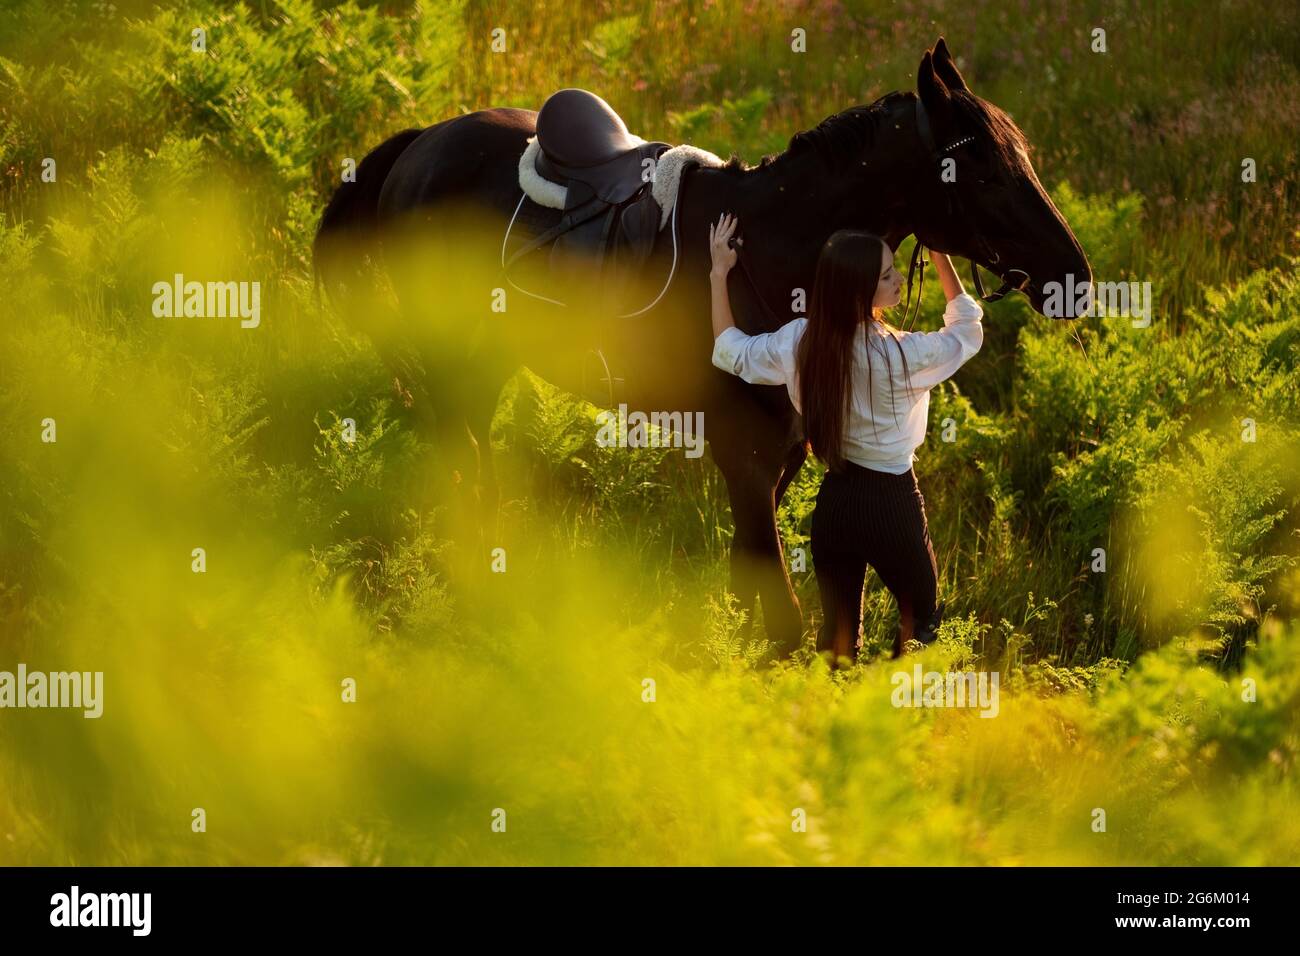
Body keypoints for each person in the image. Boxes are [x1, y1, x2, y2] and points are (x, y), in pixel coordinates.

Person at [707, 214, 983, 662]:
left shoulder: (800, 341)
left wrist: (719, 272)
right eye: (887, 275)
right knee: (924, 625)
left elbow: (728, 349)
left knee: (838, 643)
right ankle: (899, 718)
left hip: (834, 506)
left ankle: (831, 719)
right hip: (893, 506)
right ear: (859, 291)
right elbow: (968, 330)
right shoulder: (904, 353)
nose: (899, 281)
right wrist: (939, 254)